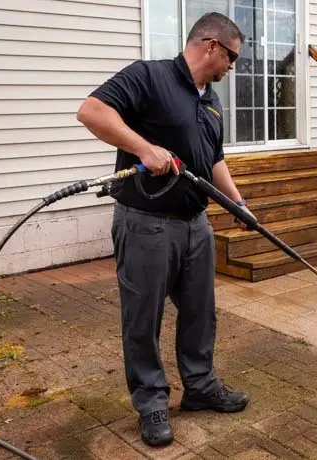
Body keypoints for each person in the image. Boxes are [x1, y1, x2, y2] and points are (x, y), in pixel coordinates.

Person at [76, 12, 254, 447]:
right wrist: (144, 148)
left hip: (196, 224)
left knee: (200, 311)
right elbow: (91, 111)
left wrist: (237, 202)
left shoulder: (210, 101)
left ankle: (200, 386)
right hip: (146, 224)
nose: (232, 67)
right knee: (143, 317)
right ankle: (151, 402)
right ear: (211, 46)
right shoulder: (149, 77)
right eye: (232, 57)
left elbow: (214, 159)